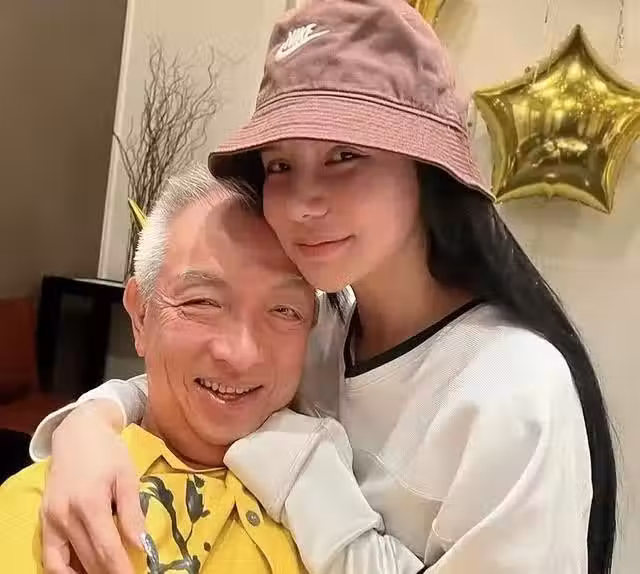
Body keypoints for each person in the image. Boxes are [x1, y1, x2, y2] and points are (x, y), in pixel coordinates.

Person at [31, 1, 617, 573]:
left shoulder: (512, 391)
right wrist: (91, 424)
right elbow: (203, 385)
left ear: (427, 168)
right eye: (280, 165)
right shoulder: (319, 326)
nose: (304, 204)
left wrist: (298, 467)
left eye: (345, 155)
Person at [0, 167, 320, 573]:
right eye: (202, 302)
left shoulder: (337, 500)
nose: (241, 354)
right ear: (141, 316)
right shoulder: (55, 516)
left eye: (284, 310)